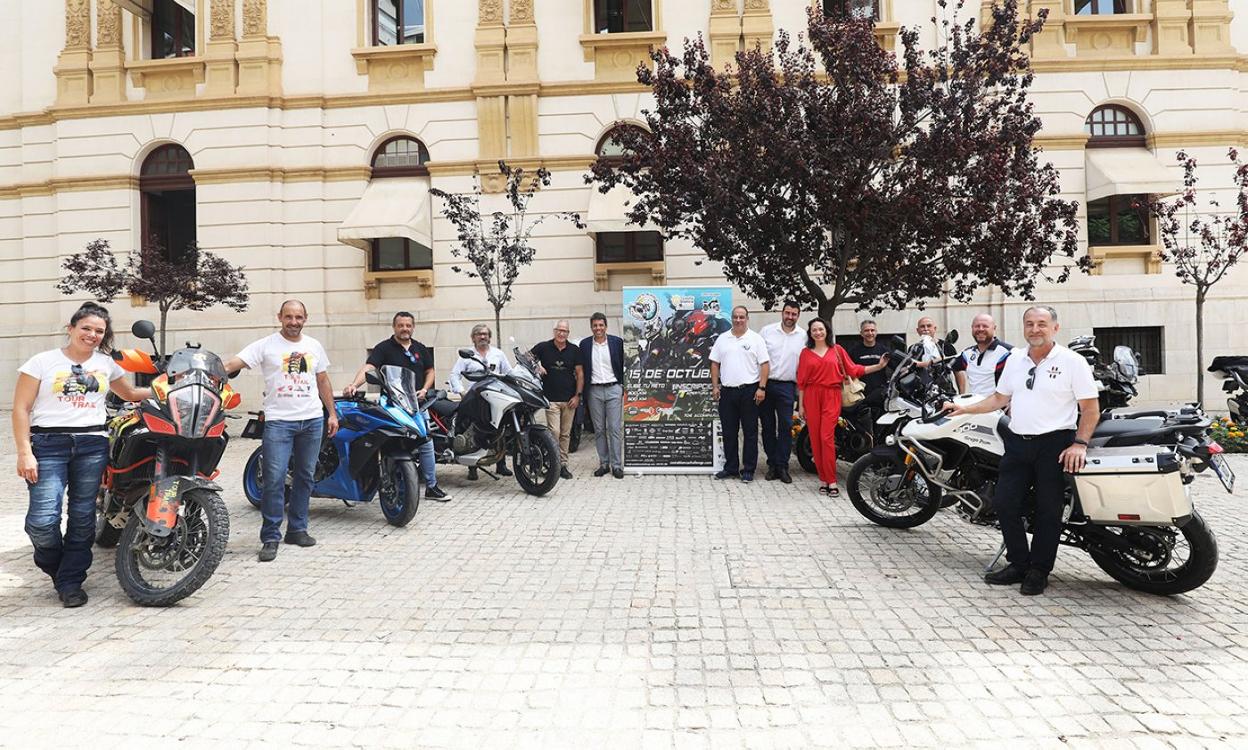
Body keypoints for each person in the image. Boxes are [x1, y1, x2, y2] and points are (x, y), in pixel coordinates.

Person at [946, 306, 1099, 596]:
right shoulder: (1015, 359)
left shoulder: (1072, 362)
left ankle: (1039, 571)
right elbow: (998, 398)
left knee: (1048, 511)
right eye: (1029, 324)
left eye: (1042, 324)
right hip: (1017, 442)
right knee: (1005, 503)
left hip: (1054, 445)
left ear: (1055, 328)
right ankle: (1018, 563)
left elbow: (1090, 409)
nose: (1035, 329)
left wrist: (1079, 444)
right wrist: (964, 409)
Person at [13, 302, 152, 607]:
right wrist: (25, 452)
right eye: (86, 328)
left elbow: (128, 394)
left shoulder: (105, 363)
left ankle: (71, 582)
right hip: (48, 443)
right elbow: (21, 409)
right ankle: (57, 567)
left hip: (92, 444)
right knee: (41, 520)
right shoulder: (42, 362)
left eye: (98, 331)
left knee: (82, 516)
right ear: (71, 329)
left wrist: (168, 388)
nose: (92, 335)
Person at [225, 300, 338, 563]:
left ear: (305, 318)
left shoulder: (313, 346)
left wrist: (332, 413)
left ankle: (297, 530)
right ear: (280, 317)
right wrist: (208, 370)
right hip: (279, 422)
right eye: (289, 317)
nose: (294, 322)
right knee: (274, 480)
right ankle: (271, 537)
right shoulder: (265, 345)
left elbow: (322, 380)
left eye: (299, 317)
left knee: (305, 477)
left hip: (312, 420)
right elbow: (234, 363)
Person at [343, 311, 449, 501]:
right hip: (392, 404)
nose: (405, 329)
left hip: (416, 404)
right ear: (394, 327)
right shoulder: (384, 348)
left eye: (408, 325)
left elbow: (430, 370)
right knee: (385, 439)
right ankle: (379, 480)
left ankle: (431, 486)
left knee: (425, 441)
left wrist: (425, 389)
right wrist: (353, 384)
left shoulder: (420, 348)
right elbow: (369, 367)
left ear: (413, 327)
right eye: (401, 325)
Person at [797, 318, 888, 497]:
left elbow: (854, 370)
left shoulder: (837, 350)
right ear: (810, 333)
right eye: (814, 330)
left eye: (820, 329)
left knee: (826, 438)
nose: (818, 332)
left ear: (827, 331)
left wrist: (879, 366)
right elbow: (801, 382)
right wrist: (801, 406)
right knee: (815, 439)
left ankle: (832, 481)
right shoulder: (805, 353)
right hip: (811, 396)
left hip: (831, 395)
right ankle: (823, 479)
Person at [710, 306, 770, 482]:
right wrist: (715, 386)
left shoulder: (756, 339)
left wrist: (762, 388)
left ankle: (749, 469)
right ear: (732, 318)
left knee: (750, 432)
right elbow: (714, 363)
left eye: (741, 317)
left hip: (749, 391)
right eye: (735, 317)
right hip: (727, 392)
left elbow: (765, 364)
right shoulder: (722, 339)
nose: (738, 320)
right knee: (729, 432)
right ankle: (731, 468)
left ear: (747, 318)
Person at [448, 323, 512, 480]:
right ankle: (472, 467)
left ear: (489, 337)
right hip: (475, 399)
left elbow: (509, 373)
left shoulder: (498, 354)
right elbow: (454, 374)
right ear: (473, 338)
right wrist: (461, 391)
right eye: (478, 334)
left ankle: (501, 464)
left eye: (485, 334)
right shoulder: (467, 356)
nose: (482, 336)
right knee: (473, 429)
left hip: (496, 397)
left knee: (500, 428)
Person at [758, 300, 805, 484]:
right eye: (787, 313)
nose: (790, 317)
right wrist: (759, 386)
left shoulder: (803, 336)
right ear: (782, 313)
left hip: (787, 386)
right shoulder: (767, 331)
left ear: (798, 316)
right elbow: (758, 358)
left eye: (794, 314)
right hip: (766, 384)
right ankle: (772, 465)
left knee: (786, 426)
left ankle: (783, 466)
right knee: (768, 427)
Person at [533, 320, 583, 480]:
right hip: (550, 400)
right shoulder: (543, 347)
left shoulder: (574, 350)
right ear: (554, 331)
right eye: (559, 330)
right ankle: (551, 463)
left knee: (565, 434)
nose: (562, 333)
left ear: (568, 333)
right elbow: (525, 358)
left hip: (569, 400)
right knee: (554, 432)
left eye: (565, 331)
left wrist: (578, 396)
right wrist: (536, 366)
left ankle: (562, 465)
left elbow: (580, 374)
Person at [578, 312, 626, 479]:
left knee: (614, 428)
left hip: (614, 389)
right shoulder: (584, 345)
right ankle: (604, 464)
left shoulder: (617, 342)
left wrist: (623, 387)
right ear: (591, 327)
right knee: (599, 429)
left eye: (601, 325)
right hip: (594, 391)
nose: (598, 328)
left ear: (606, 326)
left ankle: (617, 465)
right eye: (595, 326)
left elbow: (624, 364)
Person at [846, 318, 892, 431]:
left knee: (880, 423)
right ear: (861, 333)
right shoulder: (853, 351)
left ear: (876, 332)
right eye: (866, 330)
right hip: (860, 394)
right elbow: (849, 371)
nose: (870, 333)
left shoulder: (884, 350)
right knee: (861, 424)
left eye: (872, 330)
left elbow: (896, 368)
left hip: (879, 393)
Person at [952, 313, 1013, 396]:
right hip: (975, 406)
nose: (981, 329)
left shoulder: (1009, 352)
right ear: (972, 328)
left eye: (985, 326)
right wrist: (961, 393)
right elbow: (950, 364)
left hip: (998, 407)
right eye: (977, 326)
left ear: (994, 328)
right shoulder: (967, 354)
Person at [908, 316, 958, 391]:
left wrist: (962, 394)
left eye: (929, 326)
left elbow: (958, 371)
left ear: (935, 329)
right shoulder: (914, 348)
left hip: (946, 391)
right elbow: (909, 367)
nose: (925, 329)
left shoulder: (946, 346)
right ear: (918, 330)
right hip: (923, 393)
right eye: (922, 327)